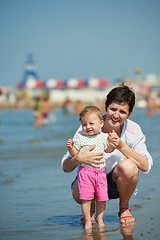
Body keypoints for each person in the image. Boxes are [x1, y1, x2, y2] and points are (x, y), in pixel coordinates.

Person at [61, 84, 153, 226]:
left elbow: (145, 166)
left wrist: (121, 146)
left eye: (122, 112)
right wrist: (79, 158)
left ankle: (124, 208)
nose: (116, 115)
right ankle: (90, 212)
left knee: (129, 166)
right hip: (89, 183)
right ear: (106, 106)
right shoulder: (88, 126)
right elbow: (66, 166)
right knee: (78, 187)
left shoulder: (133, 130)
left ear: (130, 113)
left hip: (117, 184)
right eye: (113, 109)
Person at [66, 106, 115, 230]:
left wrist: (113, 144)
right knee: (86, 199)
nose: (88, 127)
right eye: (84, 124)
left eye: (91, 124)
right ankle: (88, 220)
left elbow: (108, 149)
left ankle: (100, 218)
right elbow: (75, 153)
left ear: (101, 123)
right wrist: (71, 147)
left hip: (100, 174)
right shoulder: (80, 137)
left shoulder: (103, 136)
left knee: (102, 198)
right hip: (85, 173)